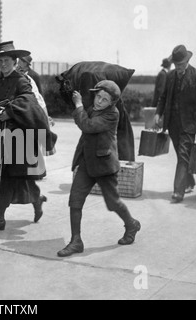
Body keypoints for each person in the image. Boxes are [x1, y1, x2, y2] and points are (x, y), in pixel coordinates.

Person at [0, 41, 56, 233]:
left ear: (15, 61)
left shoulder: (22, 81)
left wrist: (10, 112)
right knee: (7, 177)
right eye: (0, 61)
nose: (3, 64)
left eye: (6, 60)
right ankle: (31, 202)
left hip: (19, 138)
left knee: (14, 177)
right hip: (0, 136)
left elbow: (30, 103)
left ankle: (1, 217)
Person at [57, 80, 141, 258]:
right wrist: (69, 93)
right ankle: (76, 241)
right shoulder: (93, 108)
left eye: (104, 99)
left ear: (112, 103)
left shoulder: (112, 114)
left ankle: (132, 224)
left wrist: (79, 104)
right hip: (87, 162)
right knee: (75, 200)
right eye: (98, 96)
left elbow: (87, 125)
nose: (99, 101)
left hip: (105, 166)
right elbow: (80, 114)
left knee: (113, 203)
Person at [155, 45, 196, 203]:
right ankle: (189, 181)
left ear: (187, 61)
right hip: (172, 123)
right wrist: (158, 114)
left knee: (184, 154)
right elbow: (163, 97)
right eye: (176, 65)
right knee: (181, 155)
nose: (178, 68)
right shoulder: (170, 76)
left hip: (189, 123)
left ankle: (178, 191)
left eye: (181, 65)